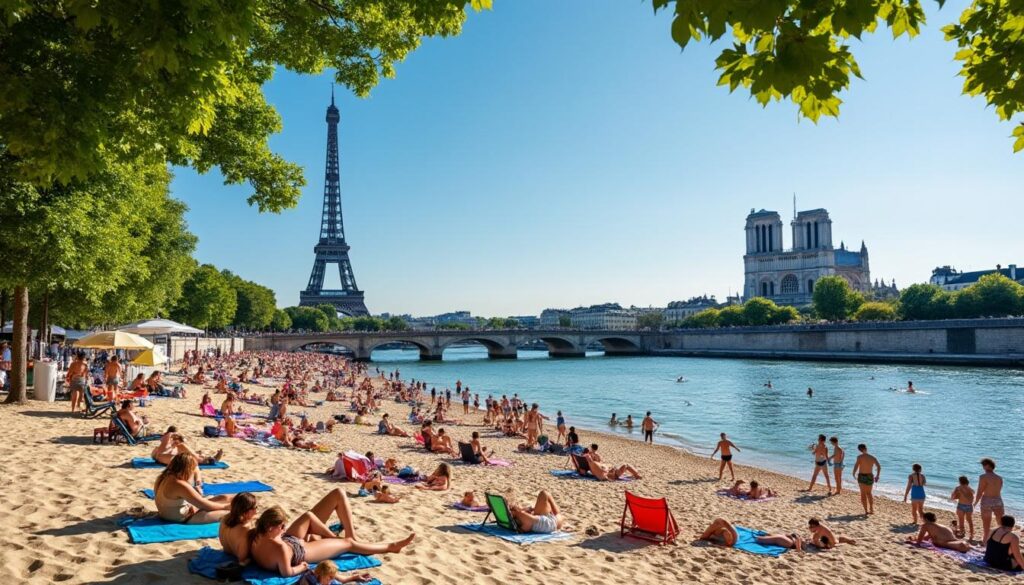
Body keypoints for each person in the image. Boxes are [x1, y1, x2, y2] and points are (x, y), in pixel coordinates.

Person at [249, 504, 414, 578]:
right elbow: (287, 573)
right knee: (348, 543)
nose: (285, 528)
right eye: (282, 526)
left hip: (290, 542)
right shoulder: (279, 548)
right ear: (270, 527)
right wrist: (302, 566)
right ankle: (390, 547)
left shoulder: (257, 535)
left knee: (308, 516)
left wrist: (281, 535)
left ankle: (331, 540)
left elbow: (274, 543)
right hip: (302, 551)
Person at [154, 453, 233, 524]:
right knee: (231, 513)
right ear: (187, 469)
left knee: (224, 497)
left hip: (170, 513)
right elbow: (204, 505)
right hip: (184, 518)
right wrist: (225, 507)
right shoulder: (179, 484)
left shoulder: (163, 477)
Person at [151, 426, 223, 466]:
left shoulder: (169, 442)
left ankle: (206, 459)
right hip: (163, 458)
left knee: (185, 451)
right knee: (186, 452)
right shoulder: (169, 436)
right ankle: (207, 460)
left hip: (165, 458)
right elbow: (161, 452)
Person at [219, 492, 259, 564]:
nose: (256, 511)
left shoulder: (225, 518)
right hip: (236, 554)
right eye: (255, 507)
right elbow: (242, 558)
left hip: (226, 550)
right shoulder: (244, 529)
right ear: (245, 512)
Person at [907, 512, 971, 552]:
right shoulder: (939, 526)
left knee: (962, 546)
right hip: (954, 540)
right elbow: (926, 537)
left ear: (926, 519)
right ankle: (968, 546)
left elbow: (920, 540)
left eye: (923, 519)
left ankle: (965, 546)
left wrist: (915, 542)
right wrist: (914, 539)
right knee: (963, 544)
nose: (922, 520)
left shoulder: (926, 525)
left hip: (946, 542)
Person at [975, 458, 1005, 542]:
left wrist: (975, 502)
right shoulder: (999, 478)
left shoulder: (983, 477)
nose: (983, 467)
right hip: (998, 500)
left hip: (987, 501)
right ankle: (1002, 539)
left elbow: (980, 491)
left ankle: (985, 541)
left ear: (988, 466)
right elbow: (998, 490)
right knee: (1001, 523)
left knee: (986, 524)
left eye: (983, 465)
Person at [851, 444, 881, 515]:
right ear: (866, 448)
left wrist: (853, 473)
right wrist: (877, 475)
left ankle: (866, 510)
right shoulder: (872, 457)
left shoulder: (859, 457)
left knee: (863, 494)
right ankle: (871, 509)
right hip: (869, 476)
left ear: (859, 450)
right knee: (869, 493)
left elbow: (856, 466)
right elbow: (879, 466)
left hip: (862, 476)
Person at [302, 559, 374, 584]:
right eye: (330, 577)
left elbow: (342, 579)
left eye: (333, 577)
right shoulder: (308, 579)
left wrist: (355, 577)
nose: (332, 579)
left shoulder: (328, 577)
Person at [950, 476, 976, 541]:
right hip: (969, 506)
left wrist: (958, 493)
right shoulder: (969, 488)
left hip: (961, 505)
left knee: (961, 520)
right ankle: (971, 535)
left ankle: (962, 532)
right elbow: (973, 493)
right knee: (969, 520)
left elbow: (952, 497)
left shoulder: (958, 488)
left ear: (960, 481)